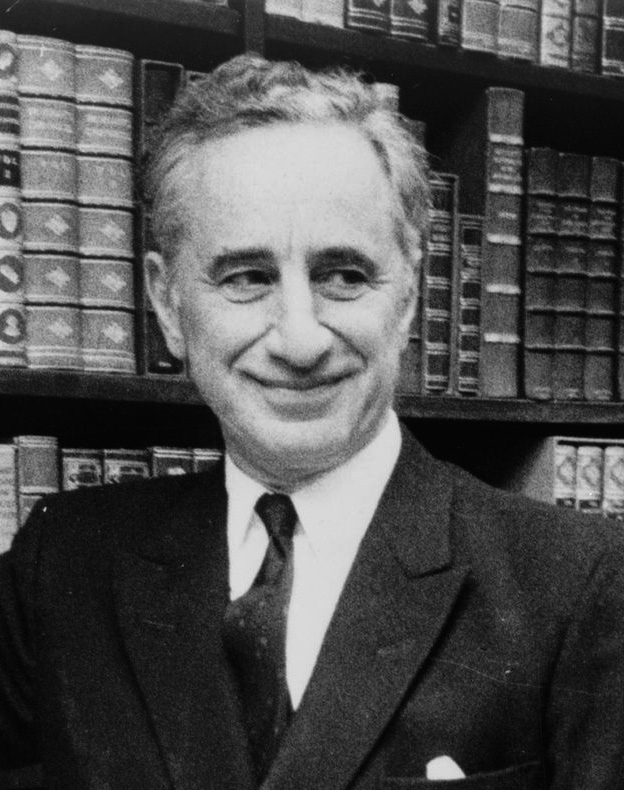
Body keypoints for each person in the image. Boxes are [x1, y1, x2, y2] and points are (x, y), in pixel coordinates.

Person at [1, 53, 624, 790]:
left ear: (410, 296)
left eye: (344, 276)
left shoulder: (581, 581)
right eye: (247, 278)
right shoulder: (64, 563)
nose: (300, 339)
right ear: (168, 304)